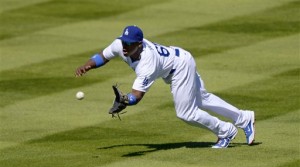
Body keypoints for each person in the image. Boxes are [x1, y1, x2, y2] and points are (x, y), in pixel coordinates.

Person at [75, 25, 255, 148]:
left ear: (139, 44)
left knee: (186, 113)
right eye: (124, 41)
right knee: (202, 99)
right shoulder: (120, 45)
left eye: (129, 44)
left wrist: (125, 100)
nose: (124, 46)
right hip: (180, 58)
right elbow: (103, 56)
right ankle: (244, 118)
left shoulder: (147, 63)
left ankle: (225, 131)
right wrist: (87, 65)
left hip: (180, 68)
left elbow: (136, 96)